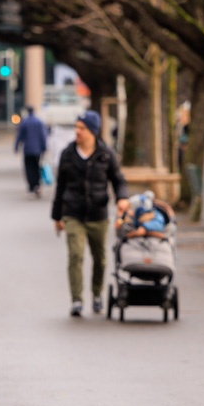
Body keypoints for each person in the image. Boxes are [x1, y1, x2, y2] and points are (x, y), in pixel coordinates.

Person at [51, 111, 128, 317]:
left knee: (100, 258)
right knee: (75, 255)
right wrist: (56, 216)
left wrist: (122, 198)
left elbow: (118, 180)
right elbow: (60, 187)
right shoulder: (67, 154)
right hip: (72, 213)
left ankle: (96, 294)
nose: (77, 131)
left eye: (82, 128)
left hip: (98, 214)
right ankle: (76, 299)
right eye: (76, 127)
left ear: (92, 131)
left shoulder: (105, 154)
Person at [14, 106, 48, 197]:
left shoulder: (24, 122)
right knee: (37, 167)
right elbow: (43, 136)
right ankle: (37, 184)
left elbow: (19, 135)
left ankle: (31, 186)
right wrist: (44, 148)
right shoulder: (39, 122)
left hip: (28, 150)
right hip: (37, 150)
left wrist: (16, 147)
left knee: (29, 169)